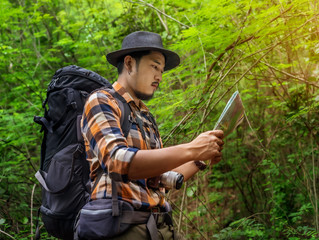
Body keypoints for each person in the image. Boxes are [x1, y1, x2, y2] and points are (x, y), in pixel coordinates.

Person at [81, 31, 224, 240]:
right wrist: (192, 147)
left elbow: (158, 179)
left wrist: (200, 158)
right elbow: (116, 160)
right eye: (154, 66)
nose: (159, 76)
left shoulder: (145, 115)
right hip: (120, 225)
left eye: (162, 70)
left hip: (157, 225)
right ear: (129, 64)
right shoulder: (102, 101)